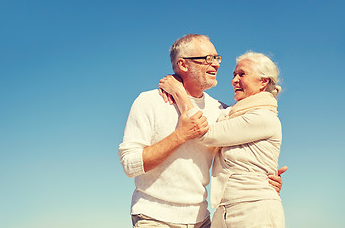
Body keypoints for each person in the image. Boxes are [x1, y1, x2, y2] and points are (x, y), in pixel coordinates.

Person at [118, 34, 285, 228]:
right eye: (207, 59)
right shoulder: (150, 102)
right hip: (154, 217)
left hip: (201, 220)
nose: (215, 64)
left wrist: (268, 180)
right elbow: (130, 165)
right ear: (183, 64)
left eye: (217, 58)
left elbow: (249, 146)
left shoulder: (222, 111)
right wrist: (180, 135)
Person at [158, 51, 285, 227]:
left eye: (242, 74)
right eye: (234, 75)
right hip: (225, 213)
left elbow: (203, 131)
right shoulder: (231, 114)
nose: (234, 80)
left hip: (254, 211)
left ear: (263, 81)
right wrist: (184, 80)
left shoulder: (264, 117)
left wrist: (179, 92)